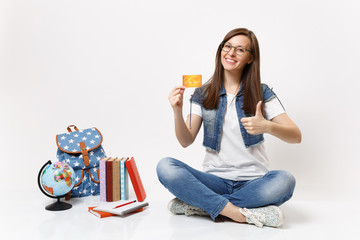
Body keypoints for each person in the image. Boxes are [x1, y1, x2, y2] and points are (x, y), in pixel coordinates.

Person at [156, 28, 301, 228]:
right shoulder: (203, 94)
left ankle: (202, 205)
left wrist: (267, 126)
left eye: (240, 49)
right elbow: (185, 140)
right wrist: (177, 110)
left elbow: (296, 136)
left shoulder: (262, 92)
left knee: (285, 180)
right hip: (214, 181)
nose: (231, 53)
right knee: (166, 167)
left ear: (250, 58)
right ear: (221, 50)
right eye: (228, 46)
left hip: (254, 182)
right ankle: (240, 212)